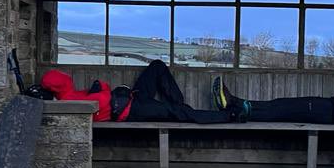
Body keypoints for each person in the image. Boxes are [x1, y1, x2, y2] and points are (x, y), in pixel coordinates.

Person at [40, 60, 240, 124]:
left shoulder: (69, 94)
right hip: (133, 110)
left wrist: (104, 89)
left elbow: (104, 92)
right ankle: (228, 115)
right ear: (60, 85)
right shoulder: (68, 101)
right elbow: (102, 102)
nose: (67, 77)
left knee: (157, 66)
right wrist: (102, 89)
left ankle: (176, 103)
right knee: (181, 114)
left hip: (131, 98)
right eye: (63, 78)